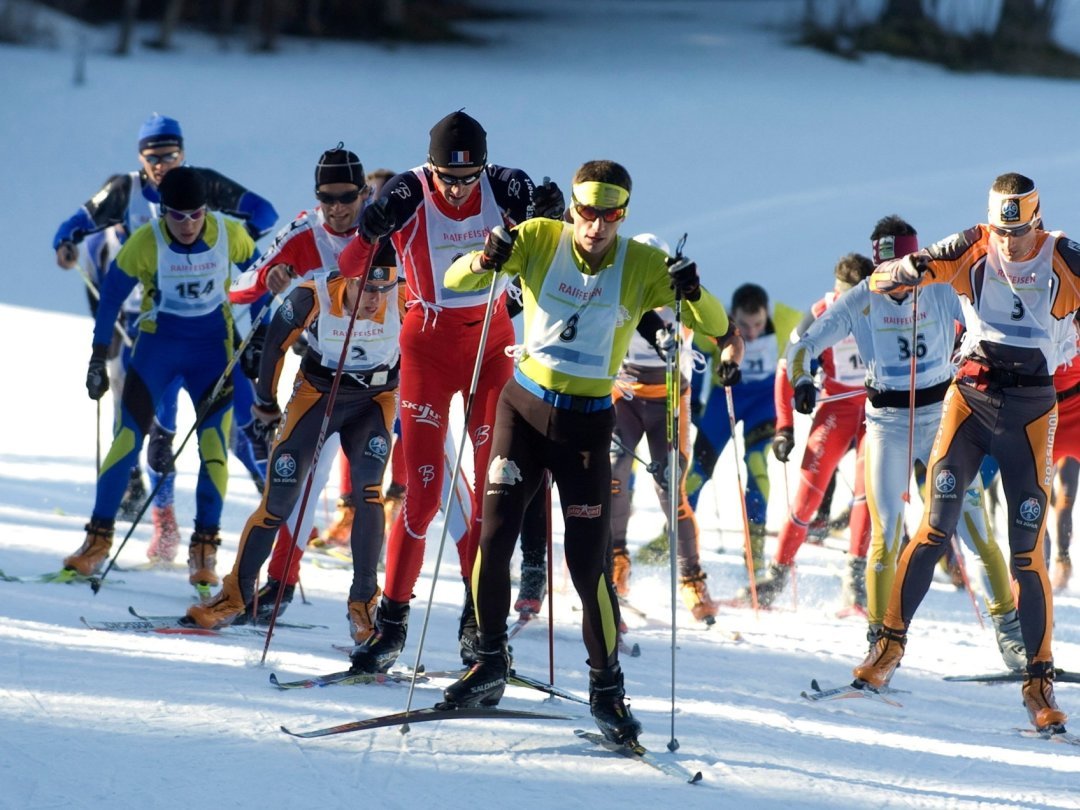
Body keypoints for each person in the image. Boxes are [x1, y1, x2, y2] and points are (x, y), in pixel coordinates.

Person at [438, 159, 729, 744]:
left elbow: (715, 324)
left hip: (588, 427)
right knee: (493, 538)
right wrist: (487, 256)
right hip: (522, 409)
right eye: (586, 211)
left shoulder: (641, 264)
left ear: (624, 214)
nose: (595, 225)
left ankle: (606, 689)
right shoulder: (540, 237)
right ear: (572, 207)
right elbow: (456, 282)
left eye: (609, 213)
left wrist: (692, 290)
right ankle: (488, 661)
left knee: (586, 564)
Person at [338, 110, 564, 673]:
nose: (458, 190)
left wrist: (552, 216)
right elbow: (350, 268)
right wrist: (370, 229)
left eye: (468, 179)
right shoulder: (408, 191)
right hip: (427, 347)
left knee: (497, 492)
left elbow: (558, 251)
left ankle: (481, 626)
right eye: (448, 178)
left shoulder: (505, 185)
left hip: (493, 343)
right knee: (423, 494)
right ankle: (391, 624)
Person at [853, 173, 1079, 732]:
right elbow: (907, 270)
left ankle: (1039, 681)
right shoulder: (973, 244)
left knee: (1026, 552)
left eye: (1020, 232)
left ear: (1037, 220)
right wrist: (895, 273)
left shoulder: (1064, 255)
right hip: (970, 406)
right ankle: (887, 647)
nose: (1009, 243)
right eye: (1003, 232)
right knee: (934, 527)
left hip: (1030, 412)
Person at [786, 217, 1023, 671]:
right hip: (887, 425)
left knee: (976, 530)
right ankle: (881, 641)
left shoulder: (939, 287)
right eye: (886, 268)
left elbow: (991, 325)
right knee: (887, 534)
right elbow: (803, 345)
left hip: (943, 420)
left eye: (904, 267)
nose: (896, 280)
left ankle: (1011, 634)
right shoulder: (862, 299)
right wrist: (801, 379)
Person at [53, 113, 278, 563]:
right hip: (154, 347)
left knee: (216, 446)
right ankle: (99, 540)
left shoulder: (227, 231)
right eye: (178, 217)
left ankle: (205, 550)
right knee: (131, 440)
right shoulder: (143, 234)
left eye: (196, 216)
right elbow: (110, 296)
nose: (189, 225)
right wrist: (98, 356)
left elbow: (260, 279)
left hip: (212, 351)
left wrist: (257, 341)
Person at [187, 265, 402, 637]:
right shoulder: (312, 293)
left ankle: (364, 607)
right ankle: (234, 596)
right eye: (368, 289)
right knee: (279, 500)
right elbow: (274, 345)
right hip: (317, 395)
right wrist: (266, 402)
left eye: (385, 289)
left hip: (375, 399)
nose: (376, 299)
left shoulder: (405, 293)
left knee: (368, 493)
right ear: (350, 279)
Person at [607, 232, 734, 622]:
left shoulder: (685, 295)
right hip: (624, 396)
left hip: (669, 400)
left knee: (669, 486)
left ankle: (692, 580)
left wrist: (729, 359)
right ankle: (615, 563)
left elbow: (728, 334)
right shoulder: (621, 288)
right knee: (612, 474)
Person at [750, 255, 874, 606]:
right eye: (845, 298)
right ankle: (777, 574)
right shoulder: (822, 312)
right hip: (836, 409)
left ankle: (856, 580)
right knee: (807, 499)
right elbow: (786, 367)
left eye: (859, 299)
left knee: (868, 493)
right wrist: (784, 427)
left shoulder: (881, 305)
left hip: (874, 412)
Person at [683, 283, 784, 583]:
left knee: (756, 465)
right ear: (732, 315)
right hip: (723, 400)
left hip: (763, 405)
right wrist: (695, 407)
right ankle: (675, 538)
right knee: (698, 472)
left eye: (758, 324)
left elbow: (809, 351)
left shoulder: (787, 321)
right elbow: (698, 366)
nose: (751, 333)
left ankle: (755, 549)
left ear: (768, 314)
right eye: (744, 324)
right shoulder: (715, 327)